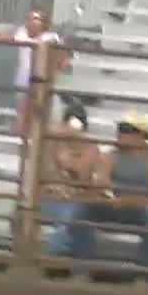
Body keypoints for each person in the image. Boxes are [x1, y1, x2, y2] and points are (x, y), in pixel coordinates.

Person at [50, 112, 148, 281]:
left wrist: (130, 200)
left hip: (142, 208)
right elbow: (102, 182)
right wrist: (102, 191)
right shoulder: (111, 155)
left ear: (141, 135)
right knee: (82, 210)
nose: (120, 132)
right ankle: (82, 270)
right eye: (120, 128)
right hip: (118, 207)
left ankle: (144, 276)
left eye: (127, 129)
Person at [0, 10, 67, 135]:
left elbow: (63, 59)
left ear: (44, 23)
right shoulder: (22, 33)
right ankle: (24, 139)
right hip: (24, 82)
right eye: (29, 18)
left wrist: (55, 65)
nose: (30, 21)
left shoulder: (51, 38)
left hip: (43, 83)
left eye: (35, 18)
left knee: (43, 115)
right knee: (24, 114)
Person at [39, 103, 102, 262]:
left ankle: (55, 252)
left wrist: (69, 164)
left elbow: (82, 178)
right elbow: (44, 174)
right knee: (76, 219)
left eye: (77, 124)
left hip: (75, 200)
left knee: (76, 216)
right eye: (70, 124)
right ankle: (69, 260)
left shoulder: (91, 149)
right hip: (50, 198)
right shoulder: (52, 142)